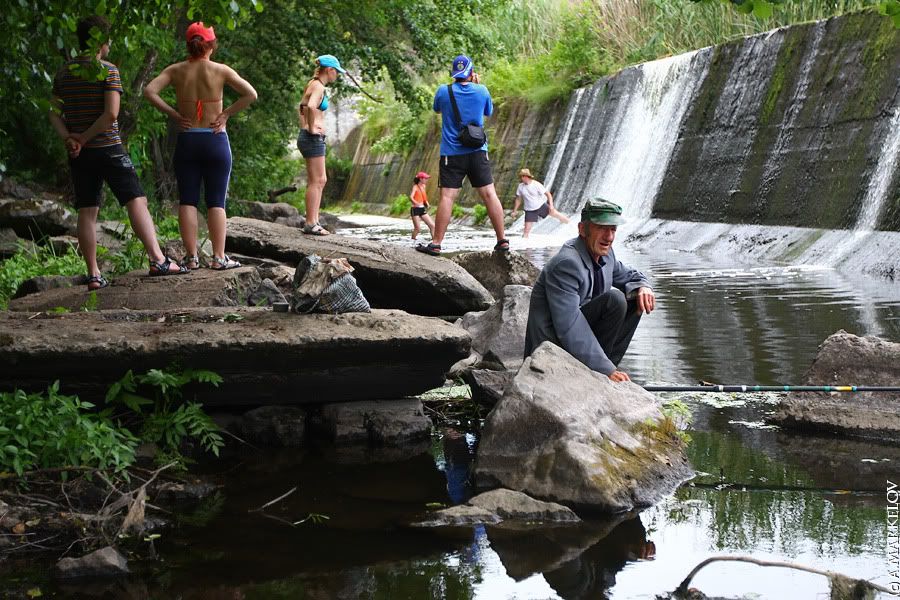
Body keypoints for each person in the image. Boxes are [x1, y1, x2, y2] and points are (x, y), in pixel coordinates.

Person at [48, 15, 188, 291]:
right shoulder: (107, 70)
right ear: (100, 41)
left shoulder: (64, 72)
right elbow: (111, 114)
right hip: (108, 149)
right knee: (136, 200)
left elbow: (53, 113)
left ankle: (94, 275)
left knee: (87, 211)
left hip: (80, 154)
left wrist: (71, 139)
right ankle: (158, 259)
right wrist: (86, 138)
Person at [144, 21, 257, 270]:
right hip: (215, 140)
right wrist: (225, 114)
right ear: (211, 45)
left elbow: (150, 90)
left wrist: (174, 114)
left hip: (188, 139)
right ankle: (218, 258)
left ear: (189, 45)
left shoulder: (176, 70)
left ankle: (192, 257)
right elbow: (251, 94)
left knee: (188, 200)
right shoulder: (221, 70)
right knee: (216, 200)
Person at [524, 199, 655, 382]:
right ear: (582, 229)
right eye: (602, 228)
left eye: (613, 229)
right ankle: (603, 370)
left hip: (575, 343)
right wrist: (605, 368)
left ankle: (606, 370)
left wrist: (644, 287)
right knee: (615, 300)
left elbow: (630, 276)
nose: (609, 237)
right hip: (551, 352)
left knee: (635, 298)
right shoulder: (567, 264)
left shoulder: (606, 254)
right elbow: (569, 325)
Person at [415, 54, 508, 256]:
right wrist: (476, 85)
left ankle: (437, 243)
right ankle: (502, 240)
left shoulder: (443, 91)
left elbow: (437, 109)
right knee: (490, 194)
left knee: (447, 197)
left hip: (451, 154)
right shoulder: (482, 90)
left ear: (454, 74)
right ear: (472, 73)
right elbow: (488, 112)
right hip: (477, 152)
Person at [296, 54, 344, 236]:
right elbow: (310, 106)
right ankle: (310, 223)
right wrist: (311, 127)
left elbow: (302, 106)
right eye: (336, 72)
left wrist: (306, 125)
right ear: (329, 70)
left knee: (318, 180)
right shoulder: (319, 87)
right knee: (318, 180)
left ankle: (313, 220)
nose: (337, 76)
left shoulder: (312, 84)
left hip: (309, 137)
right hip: (312, 138)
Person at [511, 168, 570, 237]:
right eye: (520, 176)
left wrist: (551, 206)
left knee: (557, 215)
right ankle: (524, 245)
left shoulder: (536, 184)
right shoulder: (520, 186)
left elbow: (548, 194)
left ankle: (571, 226)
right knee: (526, 231)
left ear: (526, 176)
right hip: (530, 210)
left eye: (522, 176)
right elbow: (518, 199)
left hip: (541, 206)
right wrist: (515, 210)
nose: (521, 178)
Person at [409, 171, 435, 240]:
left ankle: (434, 242)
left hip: (422, 209)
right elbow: (411, 197)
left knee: (432, 225)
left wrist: (427, 202)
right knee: (418, 229)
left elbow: (423, 196)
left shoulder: (424, 186)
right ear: (421, 179)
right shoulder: (415, 187)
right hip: (415, 209)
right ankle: (413, 240)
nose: (427, 180)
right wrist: (416, 203)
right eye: (425, 178)